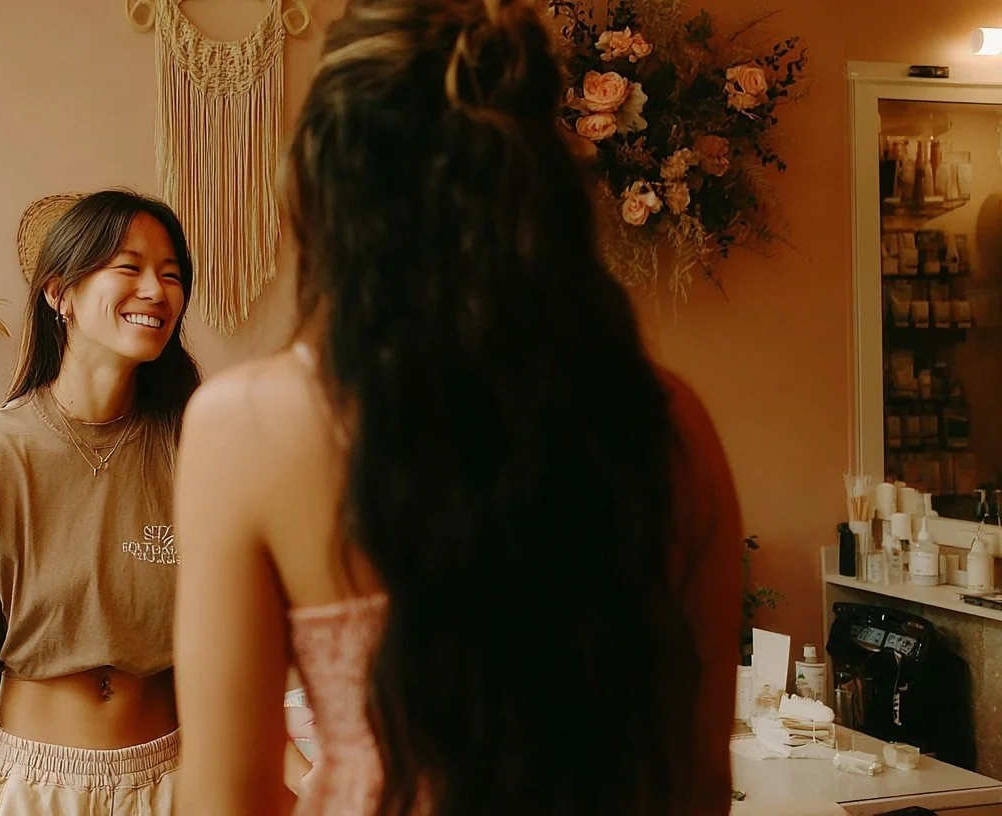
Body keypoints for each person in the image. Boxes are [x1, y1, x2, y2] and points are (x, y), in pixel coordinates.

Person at [170, 2, 744, 815]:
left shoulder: (247, 428)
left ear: (323, 183)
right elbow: (700, 785)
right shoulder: (668, 418)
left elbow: (222, 801)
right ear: (544, 183)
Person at [0, 188, 200, 816]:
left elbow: (226, 648)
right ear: (60, 294)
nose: (156, 291)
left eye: (171, 275)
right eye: (129, 267)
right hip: (36, 786)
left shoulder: (194, 445)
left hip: (176, 776)